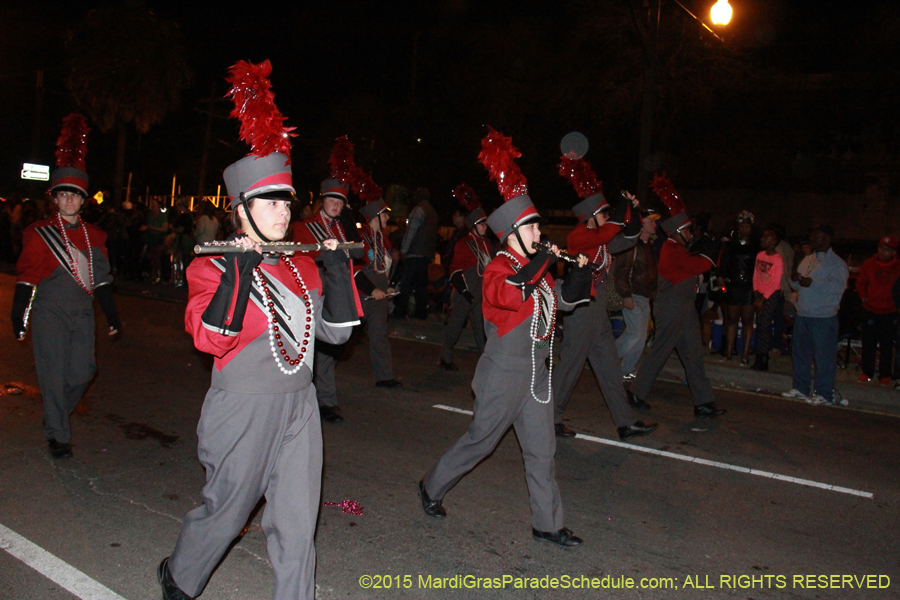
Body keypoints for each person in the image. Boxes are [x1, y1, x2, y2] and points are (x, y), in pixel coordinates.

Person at [157, 60, 360, 600]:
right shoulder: (213, 267)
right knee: (226, 512)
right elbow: (210, 338)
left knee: (298, 522)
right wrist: (241, 274)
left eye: (285, 200)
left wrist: (338, 271)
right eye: (268, 201)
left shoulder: (302, 264)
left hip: (300, 405)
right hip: (242, 406)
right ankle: (179, 576)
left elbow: (336, 336)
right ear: (240, 209)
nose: (280, 210)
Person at [419, 128, 593, 548]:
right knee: (480, 442)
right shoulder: (499, 268)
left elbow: (564, 302)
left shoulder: (538, 267)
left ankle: (547, 524)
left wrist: (583, 271)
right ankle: (430, 486)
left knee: (542, 452)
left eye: (538, 228)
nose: (540, 234)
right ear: (512, 233)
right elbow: (514, 293)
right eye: (533, 229)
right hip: (503, 372)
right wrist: (545, 264)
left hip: (536, 372)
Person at [12, 160, 120, 459]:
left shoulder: (95, 236)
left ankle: (54, 414)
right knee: (53, 375)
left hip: (82, 313)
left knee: (84, 372)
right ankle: (58, 435)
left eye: (75, 194)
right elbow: (26, 278)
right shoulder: (39, 233)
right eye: (63, 194)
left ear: (84, 200)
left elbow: (101, 280)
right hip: (50, 312)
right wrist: (18, 315)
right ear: (55, 198)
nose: (69, 199)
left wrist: (111, 315)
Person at [552, 157, 657, 441]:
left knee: (609, 366)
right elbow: (609, 230)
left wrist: (632, 211)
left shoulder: (602, 238)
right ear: (593, 216)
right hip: (581, 306)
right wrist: (621, 208)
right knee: (571, 364)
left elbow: (631, 236)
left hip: (596, 308)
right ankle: (549, 417)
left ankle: (625, 422)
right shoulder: (578, 235)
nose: (609, 215)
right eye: (604, 212)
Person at [627, 175, 726, 418]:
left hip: (684, 308)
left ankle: (703, 402)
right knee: (660, 352)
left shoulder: (678, 248)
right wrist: (718, 245)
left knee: (693, 356)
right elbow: (700, 265)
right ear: (677, 232)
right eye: (688, 231)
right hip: (671, 308)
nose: (691, 235)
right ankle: (636, 392)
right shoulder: (671, 251)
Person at [292, 176, 366, 422]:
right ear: (322, 199)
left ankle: (323, 399)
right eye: (332, 199)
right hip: (313, 293)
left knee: (330, 349)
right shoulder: (305, 225)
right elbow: (301, 258)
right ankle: (318, 401)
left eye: (340, 202)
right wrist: (329, 250)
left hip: (337, 292)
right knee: (311, 351)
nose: (336, 205)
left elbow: (358, 251)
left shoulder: (341, 228)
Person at [781, 225, 849, 405]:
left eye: (817, 237)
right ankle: (801, 388)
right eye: (812, 237)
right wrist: (794, 281)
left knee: (823, 357)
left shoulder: (837, 263)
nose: (812, 241)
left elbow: (838, 288)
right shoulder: (807, 260)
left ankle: (825, 393)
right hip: (804, 313)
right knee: (801, 354)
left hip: (824, 317)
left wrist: (813, 282)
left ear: (827, 239)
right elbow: (801, 286)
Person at [439, 186, 494, 370]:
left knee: (481, 330)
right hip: (465, 294)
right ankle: (445, 358)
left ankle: (488, 364)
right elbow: (455, 269)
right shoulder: (464, 244)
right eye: (482, 224)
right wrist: (464, 291)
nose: (485, 227)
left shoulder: (487, 244)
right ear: (473, 226)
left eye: (485, 223)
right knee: (455, 326)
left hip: (480, 295)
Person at [354, 184, 403, 387]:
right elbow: (355, 269)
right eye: (384, 215)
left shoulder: (384, 240)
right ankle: (322, 377)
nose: (387, 219)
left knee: (379, 335)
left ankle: (384, 377)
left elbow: (384, 268)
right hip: (362, 296)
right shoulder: (359, 238)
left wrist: (388, 287)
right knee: (345, 339)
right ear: (375, 216)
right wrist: (372, 289)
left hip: (379, 296)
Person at [615, 210, 660, 380]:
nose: (654, 225)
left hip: (644, 296)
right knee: (635, 334)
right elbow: (621, 271)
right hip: (633, 294)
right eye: (651, 221)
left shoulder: (649, 247)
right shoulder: (632, 245)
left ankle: (625, 369)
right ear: (642, 224)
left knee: (640, 336)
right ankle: (608, 360)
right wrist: (626, 295)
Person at [854, 235, 900, 384]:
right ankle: (867, 373)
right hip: (871, 310)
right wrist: (863, 297)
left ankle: (885, 374)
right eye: (881, 248)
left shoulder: (898, 266)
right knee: (869, 344)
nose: (882, 252)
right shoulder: (869, 264)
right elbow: (860, 282)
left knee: (887, 345)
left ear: (893, 252)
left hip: (890, 311)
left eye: (887, 249)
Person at [719, 210, 759, 366]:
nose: (744, 229)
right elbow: (723, 263)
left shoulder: (756, 246)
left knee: (748, 320)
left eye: (747, 226)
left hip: (749, 287)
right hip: (734, 285)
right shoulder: (730, 244)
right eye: (742, 226)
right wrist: (721, 279)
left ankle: (745, 355)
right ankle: (729, 352)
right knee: (732, 319)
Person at [394, 187, 438, 320]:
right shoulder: (433, 212)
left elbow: (410, 233)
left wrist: (403, 250)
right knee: (421, 287)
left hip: (414, 255)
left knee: (406, 285)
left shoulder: (418, 210)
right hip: (426, 255)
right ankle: (420, 315)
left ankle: (400, 312)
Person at [751, 227, 785, 371]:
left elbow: (776, 282)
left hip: (770, 295)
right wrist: (756, 292)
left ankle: (763, 358)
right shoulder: (760, 255)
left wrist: (763, 298)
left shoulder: (777, 259)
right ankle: (760, 356)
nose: (762, 240)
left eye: (766, 238)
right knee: (760, 325)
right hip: (760, 293)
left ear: (773, 242)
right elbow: (756, 275)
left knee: (764, 326)